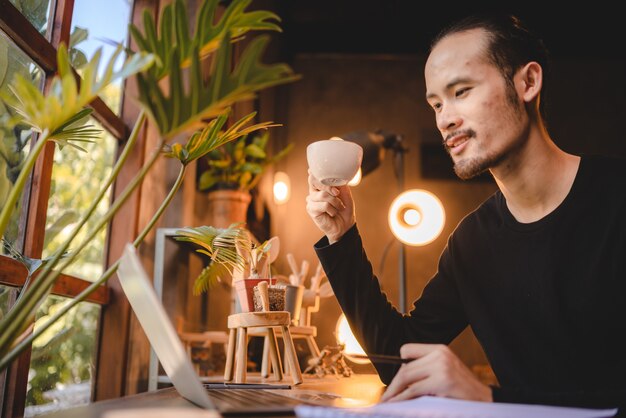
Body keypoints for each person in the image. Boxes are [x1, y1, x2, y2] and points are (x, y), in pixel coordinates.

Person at [305, 12, 626, 413]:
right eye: (436, 103)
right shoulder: (473, 242)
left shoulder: (616, 199)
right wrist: (342, 234)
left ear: (527, 82)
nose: (445, 119)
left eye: (461, 91)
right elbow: (399, 356)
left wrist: (487, 398)